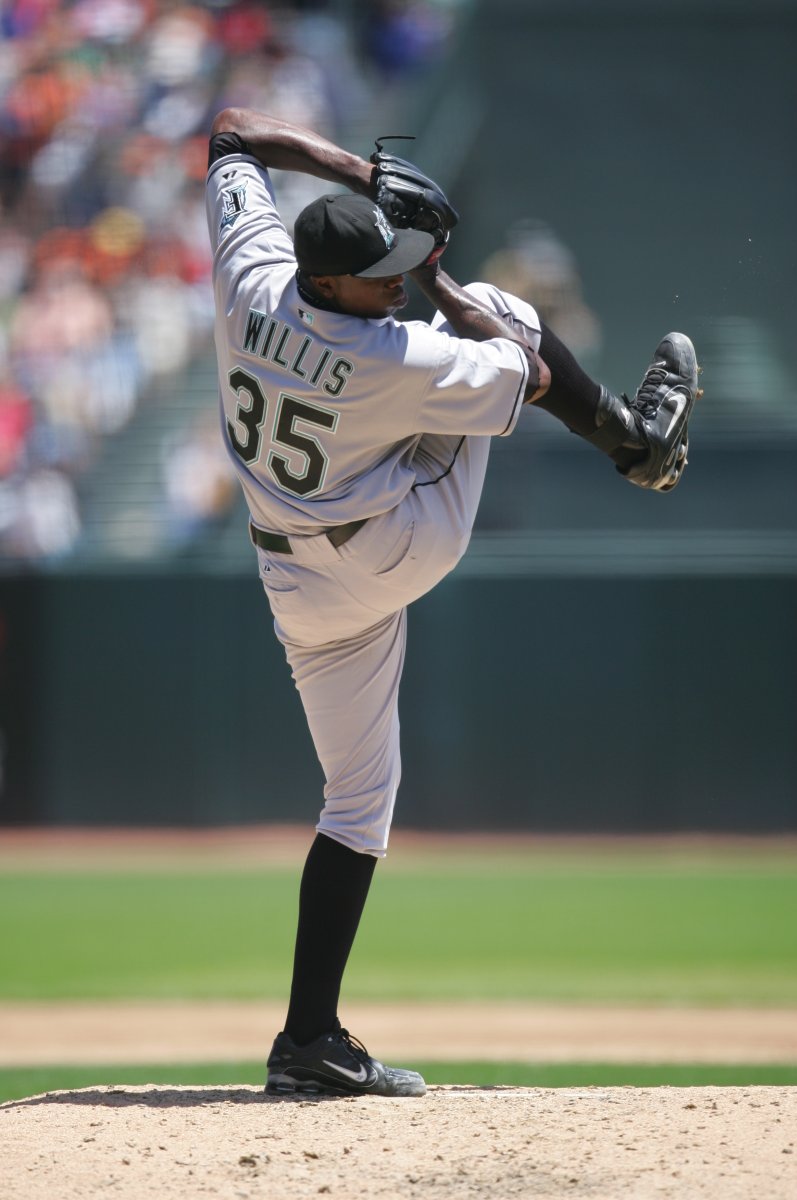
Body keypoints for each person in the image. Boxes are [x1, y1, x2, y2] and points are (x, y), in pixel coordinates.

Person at [205, 108, 699, 1098]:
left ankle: (308, 1042)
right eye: (381, 273)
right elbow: (530, 371)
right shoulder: (392, 354)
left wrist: (355, 174)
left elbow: (229, 136)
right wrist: (433, 278)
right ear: (337, 283)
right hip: (395, 547)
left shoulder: (249, 276)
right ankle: (639, 448)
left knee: (356, 804)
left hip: (295, 582)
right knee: (501, 313)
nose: (394, 282)